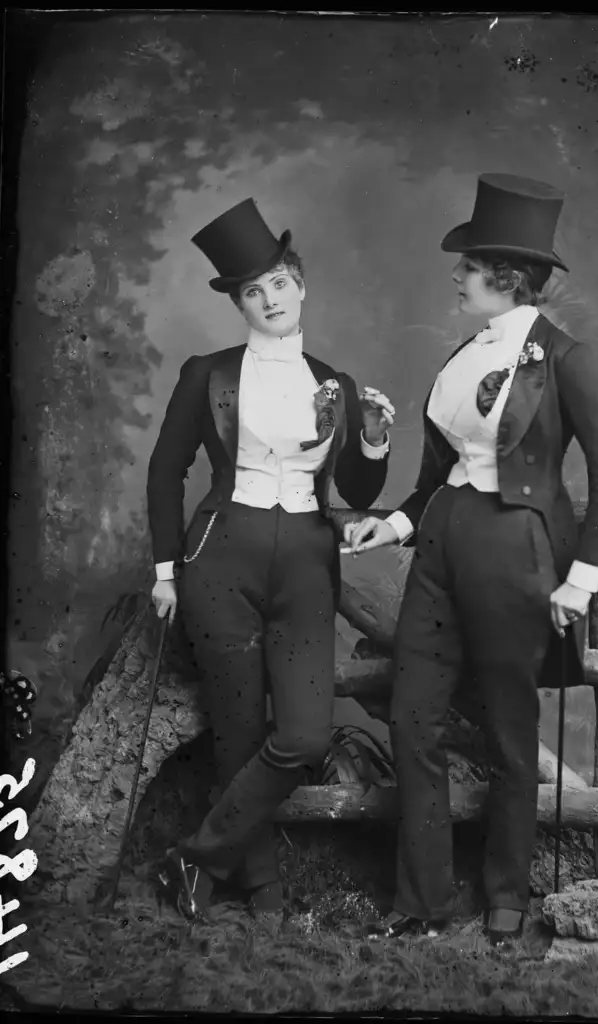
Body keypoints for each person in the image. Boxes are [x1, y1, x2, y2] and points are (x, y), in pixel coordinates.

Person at [345, 174, 598, 947]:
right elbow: (436, 476)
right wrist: (396, 526)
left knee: (512, 736)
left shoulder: (563, 359)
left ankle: (507, 896)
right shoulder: (461, 355)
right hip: (441, 544)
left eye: (467, 265)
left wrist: (582, 578)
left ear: (506, 278)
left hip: (518, 552)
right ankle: (425, 898)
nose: (455, 276)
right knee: (414, 720)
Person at [147, 197, 395, 922]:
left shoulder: (337, 383)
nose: (269, 300)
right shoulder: (208, 373)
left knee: (303, 733)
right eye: (253, 292)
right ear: (239, 302)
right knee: (237, 730)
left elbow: (356, 488)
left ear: (300, 284)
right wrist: (166, 570)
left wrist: (374, 438)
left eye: (278, 284)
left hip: (307, 564)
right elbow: (167, 472)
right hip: (222, 555)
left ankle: (197, 857)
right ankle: (261, 888)